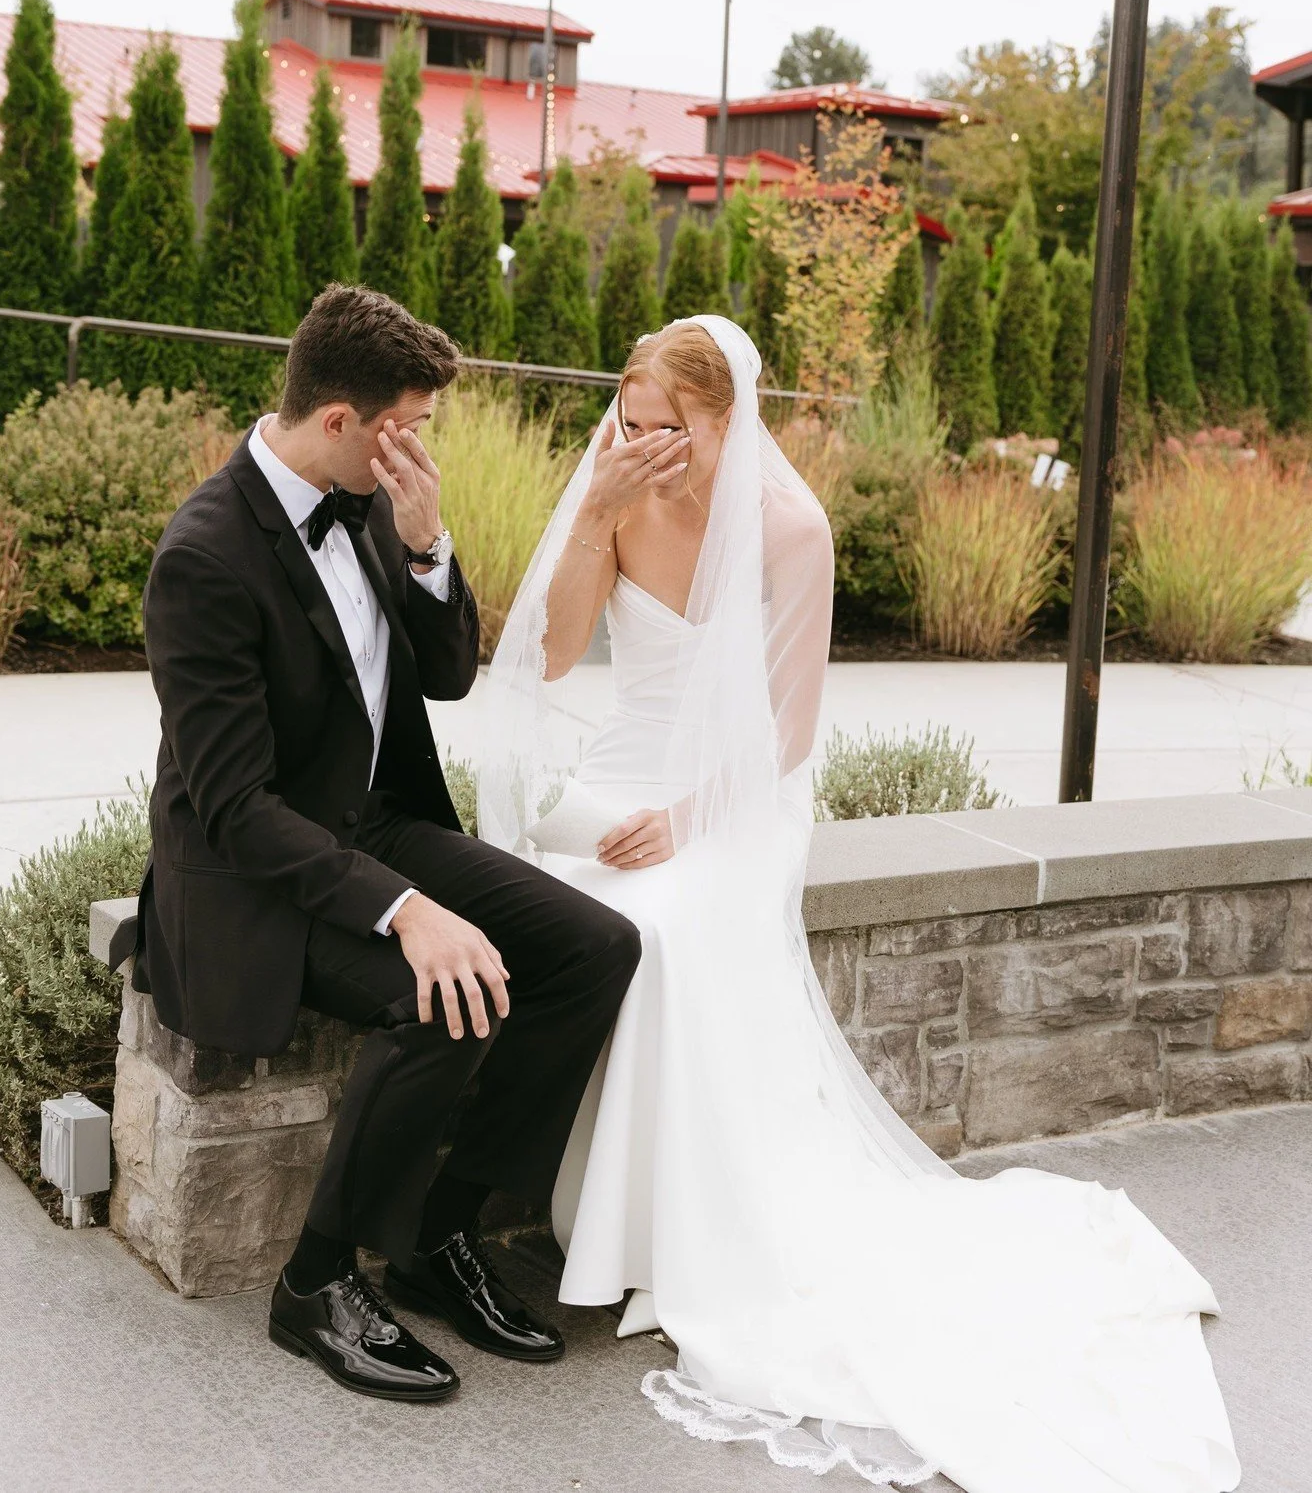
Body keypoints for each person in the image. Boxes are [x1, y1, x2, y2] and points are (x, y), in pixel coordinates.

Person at [476, 315, 1240, 1491]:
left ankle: (670, 1245)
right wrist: (592, 510)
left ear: (727, 420)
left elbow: (786, 735)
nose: (635, 442)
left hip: (739, 801)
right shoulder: (616, 486)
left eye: (662, 427)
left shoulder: (792, 529)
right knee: (556, 899)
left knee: (661, 927)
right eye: (625, 421)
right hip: (624, 773)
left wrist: (686, 820)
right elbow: (562, 651)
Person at [138, 284, 640, 1404]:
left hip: (373, 822)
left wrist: (427, 548)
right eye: (407, 425)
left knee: (594, 947)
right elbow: (231, 803)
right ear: (339, 420)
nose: (418, 448)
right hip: (253, 874)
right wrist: (406, 909)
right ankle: (314, 1282)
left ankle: (434, 1234)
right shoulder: (204, 555)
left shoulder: (367, 498)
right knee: (439, 991)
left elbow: (449, 675)